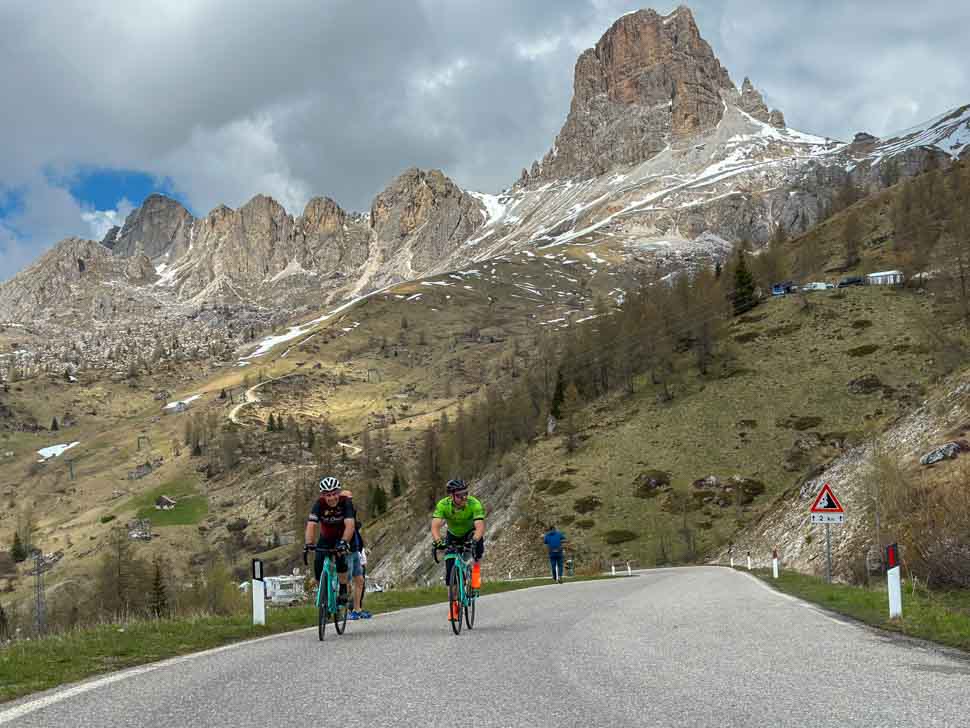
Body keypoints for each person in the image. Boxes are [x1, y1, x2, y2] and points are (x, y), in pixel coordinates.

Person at [431, 478, 486, 618]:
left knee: (477, 552)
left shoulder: (474, 504)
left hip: (471, 533)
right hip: (453, 535)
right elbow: (435, 526)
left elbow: (480, 527)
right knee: (451, 572)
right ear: (451, 496)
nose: (464, 497)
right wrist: (438, 541)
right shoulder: (443, 505)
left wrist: (473, 541)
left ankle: (475, 579)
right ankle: (454, 606)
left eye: (465, 493)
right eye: (460, 495)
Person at [303, 476, 355, 606]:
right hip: (326, 537)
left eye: (334, 494)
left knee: (340, 556)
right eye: (328, 495)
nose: (332, 498)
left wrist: (344, 542)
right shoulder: (319, 504)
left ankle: (343, 589)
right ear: (323, 496)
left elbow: (350, 525)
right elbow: (311, 525)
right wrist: (309, 543)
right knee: (318, 561)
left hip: (342, 536)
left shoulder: (346, 502)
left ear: (338, 492)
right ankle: (323, 591)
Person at [347, 518, 371, 620]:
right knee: (346, 582)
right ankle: (347, 611)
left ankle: (357, 609)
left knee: (360, 581)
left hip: (355, 552)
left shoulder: (349, 509)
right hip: (348, 551)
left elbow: (360, 547)